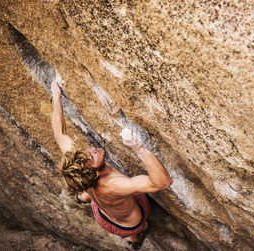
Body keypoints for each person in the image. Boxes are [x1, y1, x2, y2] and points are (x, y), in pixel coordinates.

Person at [51, 81, 172, 250]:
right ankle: (136, 241)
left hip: (101, 213)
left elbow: (60, 133)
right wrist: (139, 148)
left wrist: (56, 96)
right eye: (92, 157)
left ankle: (84, 196)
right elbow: (162, 183)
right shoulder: (115, 185)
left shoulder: (79, 162)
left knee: (93, 194)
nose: (92, 149)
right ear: (96, 174)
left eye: (87, 152)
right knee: (137, 215)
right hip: (129, 224)